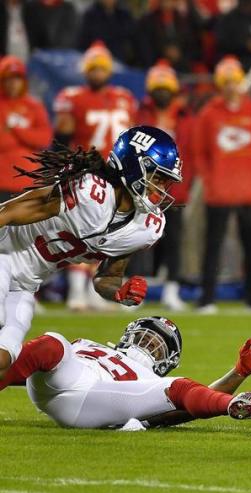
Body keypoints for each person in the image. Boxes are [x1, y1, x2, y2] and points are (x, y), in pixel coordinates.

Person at [0, 126, 183, 381]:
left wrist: (118, 292)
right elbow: (8, 211)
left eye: (166, 181)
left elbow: (106, 279)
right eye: (157, 177)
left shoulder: (146, 228)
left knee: (4, 357)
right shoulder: (88, 192)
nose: (161, 188)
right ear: (132, 166)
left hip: (26, 284)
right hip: (3, 256)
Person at [0, 316, 251, 428]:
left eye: (159, 345)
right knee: (51, 344)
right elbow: (27, 365)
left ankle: (237, 405)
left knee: (181, 388)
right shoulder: (89, 344)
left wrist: (238, 373)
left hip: (94, 401)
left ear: (167, 360)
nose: (149, 344)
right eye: (146, 336)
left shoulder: (150, 379)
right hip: (67, 378)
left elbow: (187, 405)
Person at [53, 42, 137, 311]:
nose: (98, 73)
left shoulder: (124, 97)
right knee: (81, 229)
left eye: (102, 68)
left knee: (110, 233)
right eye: (94, 68)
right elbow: (62, 136)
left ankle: (97, 289)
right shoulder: (74, 96)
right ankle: (77, 292)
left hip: (117, 175)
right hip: (87, 173)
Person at [194, 56, 251, 312]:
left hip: (249, 193)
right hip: (219, 193)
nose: (230, 86)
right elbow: (200, 153)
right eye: (225, 81)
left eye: (234, 81)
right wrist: (211, 181)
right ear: (220, 84)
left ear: (241, 82)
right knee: (212, 247)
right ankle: (207, 298)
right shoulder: (209, 113)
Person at [136, 60, 193, 311]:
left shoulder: (184, 117)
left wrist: (186, 182)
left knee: (173, 242)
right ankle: (133, 292)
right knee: (137, 239)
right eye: (157, 87)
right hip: (143, 188)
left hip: (174, 189)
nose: (161, 92)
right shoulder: (139, 114)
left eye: (165, 87)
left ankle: (171, 291)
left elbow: (192, 152)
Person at [0, 55, 52, 203]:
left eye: (17, 78)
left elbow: (44, 139)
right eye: (8, 78)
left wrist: (15, 130)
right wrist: (27, 138)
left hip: (27, 183)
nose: (13, 83)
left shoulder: (34, 106)